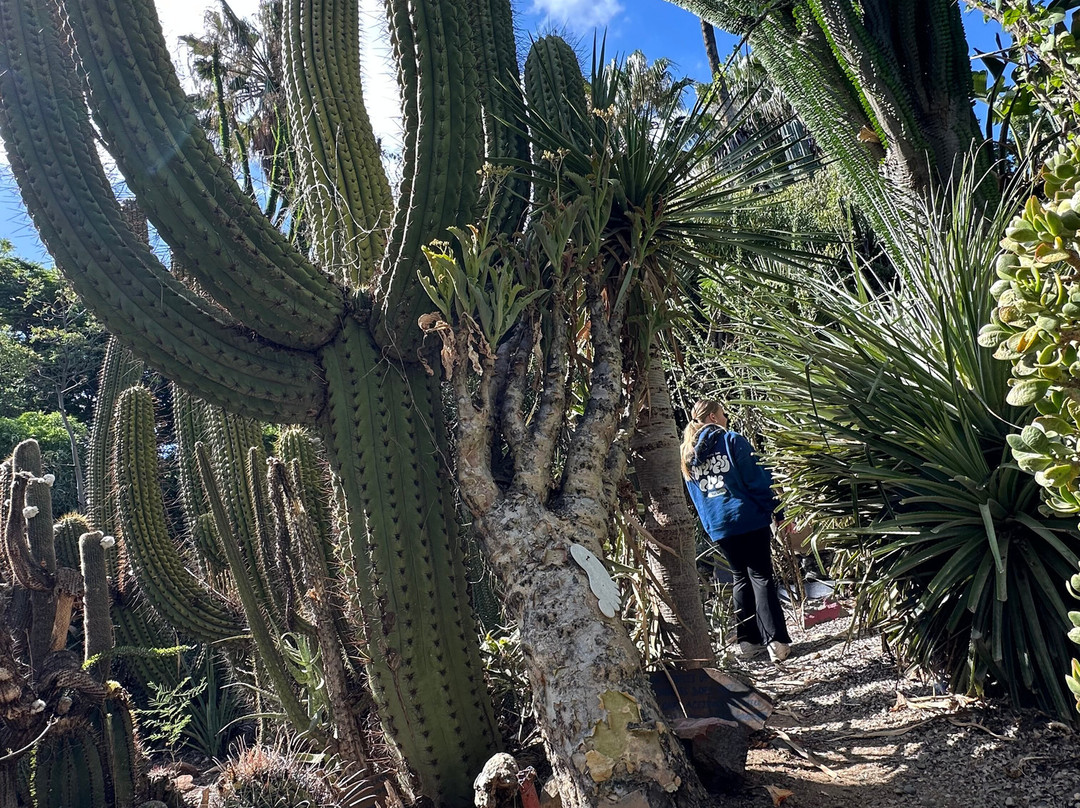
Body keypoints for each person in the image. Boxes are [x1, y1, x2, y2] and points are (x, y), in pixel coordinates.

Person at [681, 399, 793, 662]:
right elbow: (758, 479)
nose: (726, 418)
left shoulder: (687, 453)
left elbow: (697, 496)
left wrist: (711, 525)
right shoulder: (732, 440)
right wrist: (776, 510)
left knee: (740, 578)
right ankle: (776, 641)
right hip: (747, 517)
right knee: (761, 576)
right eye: (723, 414)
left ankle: (748, 642)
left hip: (720, 526)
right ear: (712, 417)